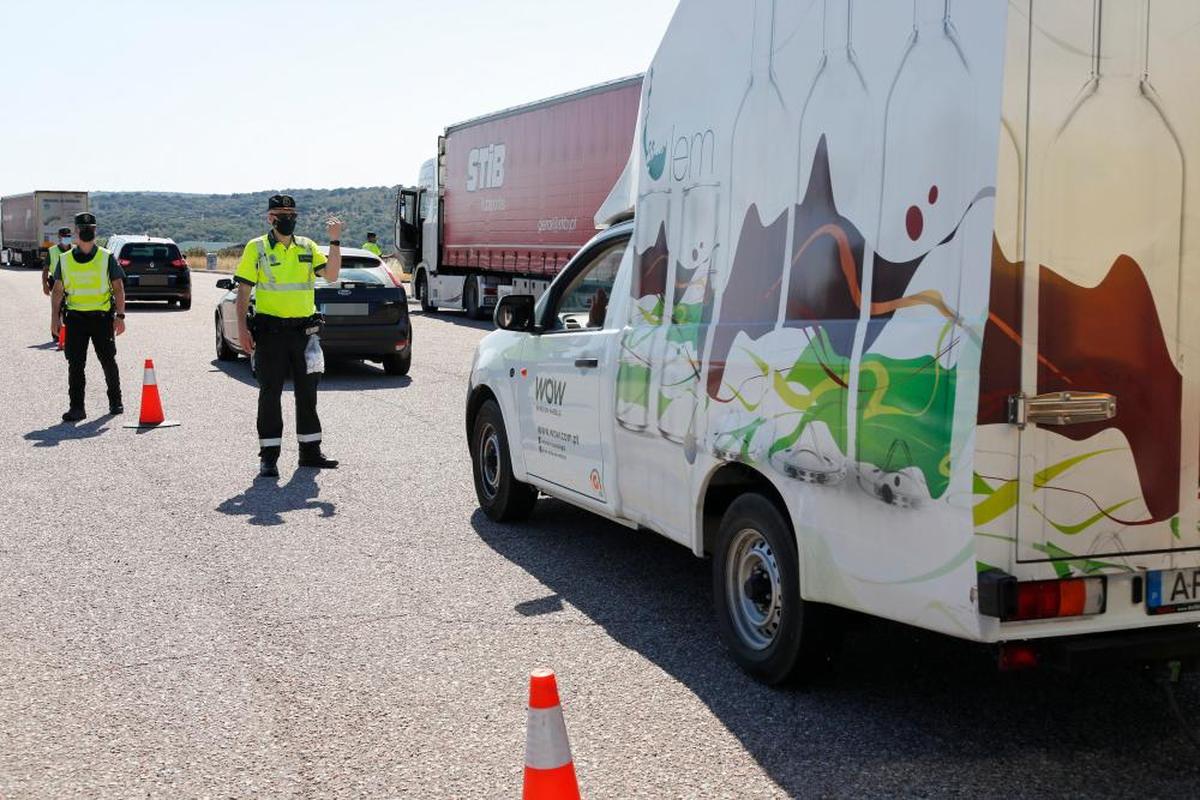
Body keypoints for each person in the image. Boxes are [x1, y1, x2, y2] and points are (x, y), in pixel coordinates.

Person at [234, 195, 342, 478]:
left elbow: (331, 275)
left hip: (304, 334)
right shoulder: (256, 248)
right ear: (270, 218)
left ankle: (310, 453)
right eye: (282, 213)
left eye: (292, 213)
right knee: (270, 395)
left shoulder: (307, 246)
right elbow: (244, 292)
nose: (288, 218)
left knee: (308, 395)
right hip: (270, 334)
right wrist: (243, 329)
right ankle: (269, 457)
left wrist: (334, 241)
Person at [49, 212, 126, 421]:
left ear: (95, 230)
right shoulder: (64, 260)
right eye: (82, 228)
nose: (85, 231)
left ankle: (115, 401)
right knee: (75, 364)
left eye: (90, 228)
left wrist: (120, 316)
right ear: (76, 231)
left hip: (102, 318)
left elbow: (118, 287)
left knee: (108, 360)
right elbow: (57, 291)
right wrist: (54, 319)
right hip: (75, 320)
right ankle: (77, 408)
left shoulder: (106, 256)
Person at [43, 227, 72, 296]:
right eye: (64, 236)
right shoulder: (52, 251)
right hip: (57, 284)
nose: (66, 238)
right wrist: (45, 285)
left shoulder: (75, 249)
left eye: (68, 236)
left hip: (72, 284)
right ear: (59, 237)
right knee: (57, 305)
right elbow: (45, 269)